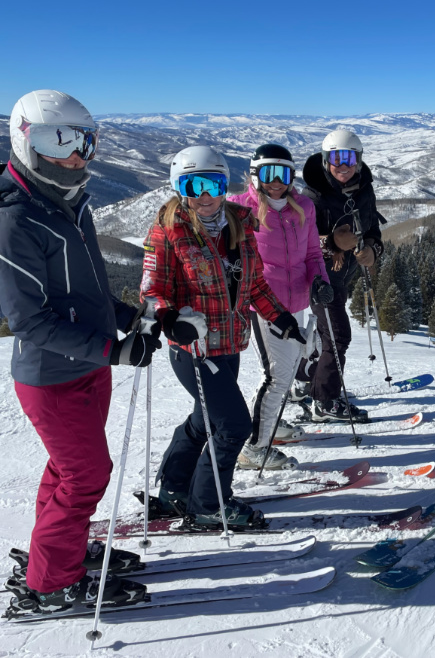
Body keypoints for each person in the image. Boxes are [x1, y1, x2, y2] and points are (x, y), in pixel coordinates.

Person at [0, 89, 161, 614]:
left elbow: (87, 291)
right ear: (24, 141)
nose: (78, 155)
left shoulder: (68, 202)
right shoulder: (13, 222)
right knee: (86, 474)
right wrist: (113, 351)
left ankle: (58, 551)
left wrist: (129, 318)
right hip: (53, 376)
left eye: (85, 141)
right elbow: (29, 321)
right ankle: (51, 583)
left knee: (67, 469)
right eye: (59, 141)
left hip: (88, 366)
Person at [140, 145, 303, 529]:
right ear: (179, 188)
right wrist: (170, 319)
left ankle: (174, 490)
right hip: (193, 347)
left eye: (212, 184)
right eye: (192, 186)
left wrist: (279, 316)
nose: (204, 195)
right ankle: (208, 505)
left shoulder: (240, 225)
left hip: (229, 344)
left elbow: (254, 284)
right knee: (233, 425)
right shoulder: (168, 230)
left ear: (223, 185)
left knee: (205, 420)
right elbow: (152, 290)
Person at [229, 143, 332, 469]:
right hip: (264, 305)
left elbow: (313, 254)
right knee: (278, 375)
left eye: (283, 174)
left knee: (285, 371)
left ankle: (268, 423)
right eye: (268, 173)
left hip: (297, 300)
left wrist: (320, 281)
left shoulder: (303, 207)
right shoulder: (240, 208)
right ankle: (255, 446)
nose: (276, 182)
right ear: (255, 175)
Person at [299, 130, 385, 422]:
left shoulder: (364, 190)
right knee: (337, 336)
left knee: (327, 335)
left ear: (358, 160)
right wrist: (332, 243)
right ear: (326, 160)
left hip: (344, 274)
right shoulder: (312, 197)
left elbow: (373, 230)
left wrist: (372, 249)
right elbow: (299, 242)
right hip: (318, 277)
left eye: (350, 157)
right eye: (337, 158)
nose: (344, 165)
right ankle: (324, 401)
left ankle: (307, 383)